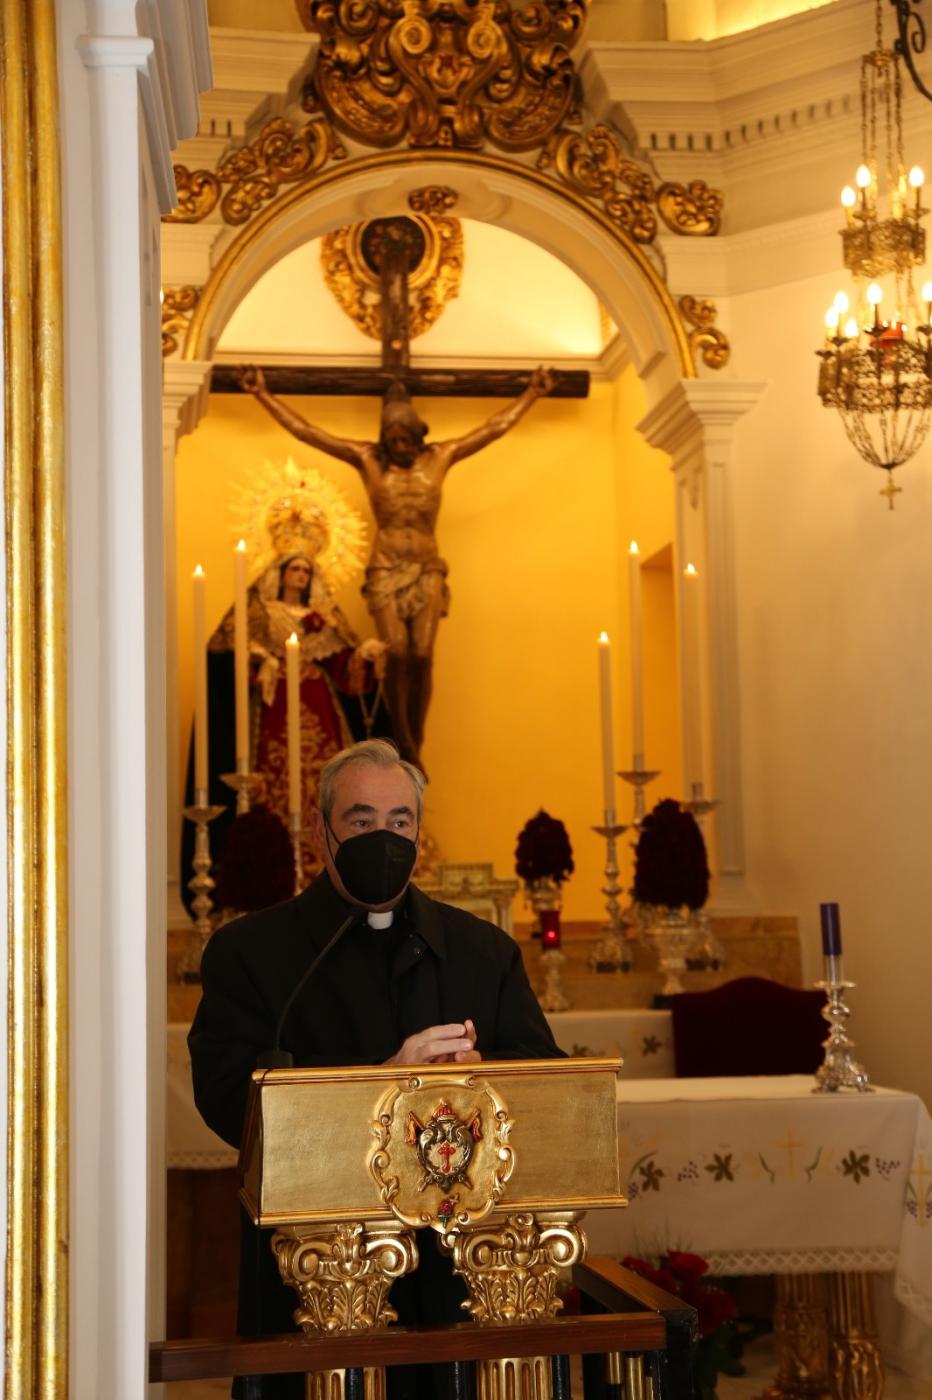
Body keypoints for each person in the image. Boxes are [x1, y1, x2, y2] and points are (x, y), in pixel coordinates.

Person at [188, 738, 563, 1399]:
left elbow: (545, 1083)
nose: (382, 838)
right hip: (312, 1275)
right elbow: (227, 1099)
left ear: (421, 832)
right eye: (361, 822)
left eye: (400, 822)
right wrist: (385, 1083)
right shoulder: (252, 953)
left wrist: (475, 1083)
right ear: (323, 834)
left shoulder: (482, 952)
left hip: (458, 1273)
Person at [239, 367, 558, 767]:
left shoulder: (440, 457)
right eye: (392, 440)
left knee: (422, 653)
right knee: (398, 651)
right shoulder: (368, 459)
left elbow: (493, 428)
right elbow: (308, 431)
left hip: (426, 566)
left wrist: (532, 393)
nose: (399, 446)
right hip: (386, 566)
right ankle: (402, 741)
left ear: (418, 436)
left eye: (405, 439)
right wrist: (262, 395)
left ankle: (414, 742)